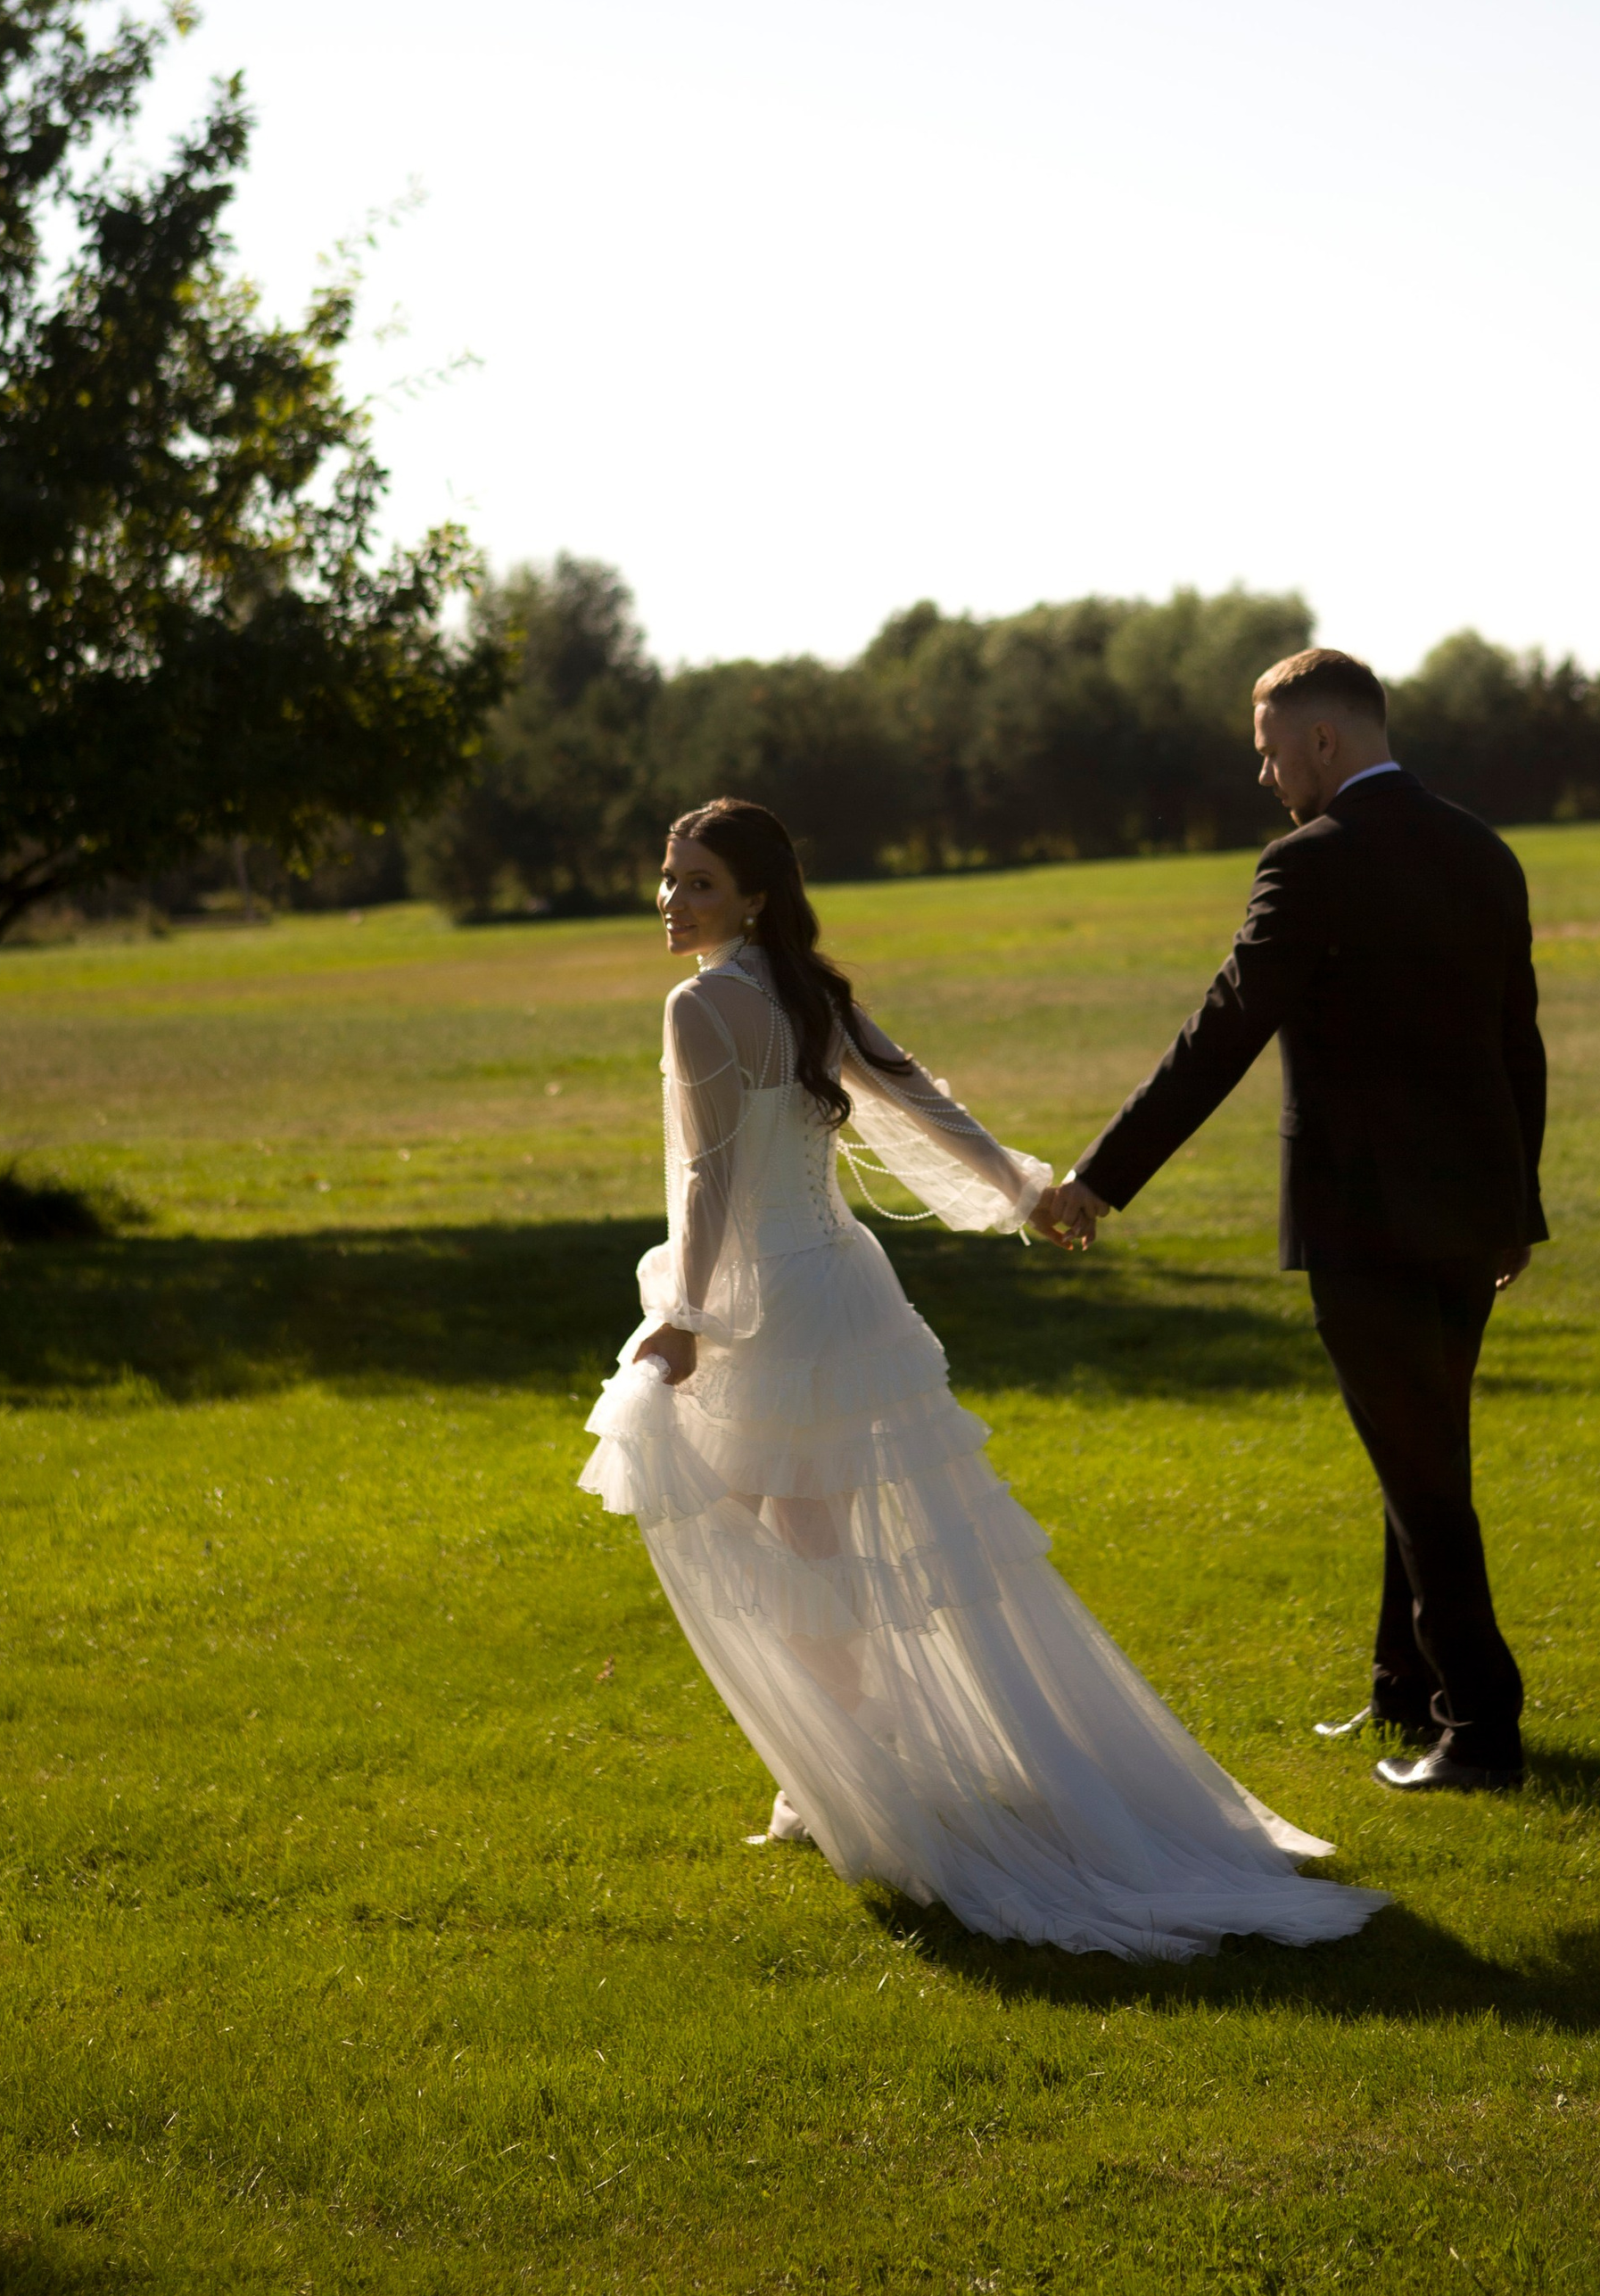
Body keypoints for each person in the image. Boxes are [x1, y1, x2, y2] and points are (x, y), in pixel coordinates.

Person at [579, 796, 1384, 1961]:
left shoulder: (704, 1006)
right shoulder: (808, 992)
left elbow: (709, 1177)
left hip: (771, 1309)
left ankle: (842, 1780)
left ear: (753, 896)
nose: (673, 901)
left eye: (698, 883)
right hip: (837, 1290)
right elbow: (918, 1101)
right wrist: (1025, 1189)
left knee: (787, 1541)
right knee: (802, 1537)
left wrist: (686, 1320)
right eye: (668, 877)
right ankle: (837, 1773)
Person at [1042, 649, 1546, 1796]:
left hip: (1365, 1219)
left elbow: (1222, 1031)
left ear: (1323, 741)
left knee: (1423, 1476)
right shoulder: (1483, 847)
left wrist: (1101, 1178)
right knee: (1415, 1450)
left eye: (1270, 750)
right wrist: (1518, 1207)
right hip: (1472, 1211)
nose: (1264, 774)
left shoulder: (1308, 862)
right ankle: (1402, 1689)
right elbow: (1519, 1042)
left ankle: (1481, 1732)